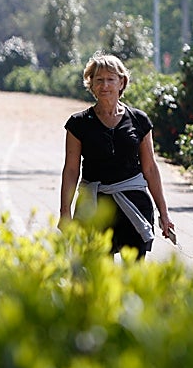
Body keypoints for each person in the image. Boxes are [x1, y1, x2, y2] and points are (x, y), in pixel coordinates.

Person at [60, 53, 175, 260]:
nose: (105, 85)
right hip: (95, 205)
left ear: (121, 82)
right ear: (91, 84)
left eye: (110, 79)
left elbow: (150, 169)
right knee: (100, 276)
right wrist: (65, 212)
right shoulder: (78, 124)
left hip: (134, 204)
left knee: (134, 271)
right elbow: (71, 170)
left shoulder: (139, 120)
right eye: (99, 80)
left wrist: (163, 214)